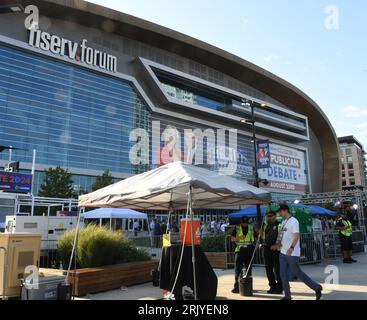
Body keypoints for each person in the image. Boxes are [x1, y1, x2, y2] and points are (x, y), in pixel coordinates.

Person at [273, 204, 323, 300]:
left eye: (281, 211)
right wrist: (277, 243)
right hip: (282, 252)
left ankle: (317, 287)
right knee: (282, 274)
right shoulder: (283, 222)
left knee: (298, 273)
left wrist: (291, 248)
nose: (280, 213)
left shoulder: (294, 221)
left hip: (292, 253)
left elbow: (296, 236)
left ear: (285, 211)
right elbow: (281, 235)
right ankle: (287, 295)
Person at [230, 217, 256, 294]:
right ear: (241, 222)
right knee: (238, 270)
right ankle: (237, 287)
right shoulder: (237, 228)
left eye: (246, 222)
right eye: (244, 222)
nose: (245, 224)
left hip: (249, 251)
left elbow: (256, 236)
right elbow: (232, 238)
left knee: (249, 270)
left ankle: (248, 286)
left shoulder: (251, 228)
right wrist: (238, 238)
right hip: (239, 251)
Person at [260, 211, 282, 294]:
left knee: (278, 270)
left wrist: (276, 246)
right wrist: (260, 233)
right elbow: (263, 237)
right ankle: (272, 286)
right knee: (268, 270)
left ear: (275, 216)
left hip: (276, 250)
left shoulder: (279, 225)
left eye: (271, 216)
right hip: (267, 250)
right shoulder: (266, 226)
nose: (269, 217)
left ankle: (280, 287)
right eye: (268, 216)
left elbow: (282, 237)